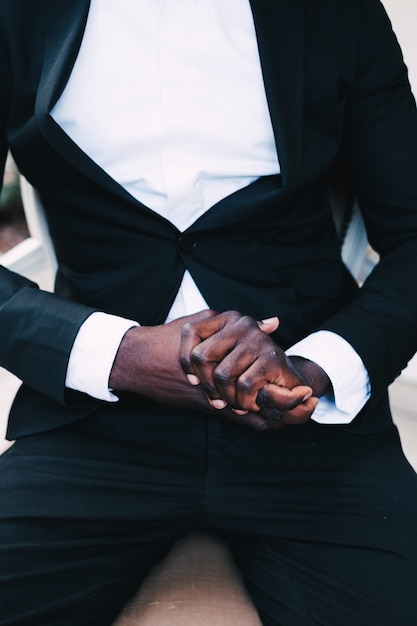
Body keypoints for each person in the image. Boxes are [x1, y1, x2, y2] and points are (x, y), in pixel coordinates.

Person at [1, 1, 417, 624]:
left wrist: (317, 367)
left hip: (313, 434)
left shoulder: (340, 12)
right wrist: (119, 354)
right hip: (93, 427)